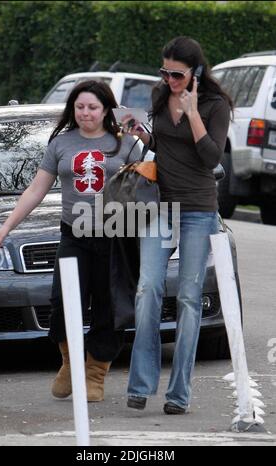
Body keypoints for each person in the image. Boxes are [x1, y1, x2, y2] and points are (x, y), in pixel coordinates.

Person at [0, 80, 141, 402]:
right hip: (74, 236)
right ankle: (70, 363)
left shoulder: (126, 142)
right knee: (62, 301)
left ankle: (96, 373)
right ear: (73, 109)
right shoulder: (61, 143)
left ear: (106, 110)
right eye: (80, 107)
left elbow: (143, 188)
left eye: (93, 107)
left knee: (109, 306)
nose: (86, 113)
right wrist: (7, 226)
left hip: (115, 237)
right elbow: (36, 189)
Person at [122, 36, 233, 414]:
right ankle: (140, 384)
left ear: (196, 73)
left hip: (199, 209)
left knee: (188, 298)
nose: (169, 79)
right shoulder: (158, 96)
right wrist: (144, 136)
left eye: (176, 74)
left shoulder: (216, 105)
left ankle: (179, 393)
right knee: (148, 288)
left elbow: (211, 157)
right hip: (159, 206)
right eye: (164, 71)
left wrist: (193, 113)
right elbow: (163, 146)